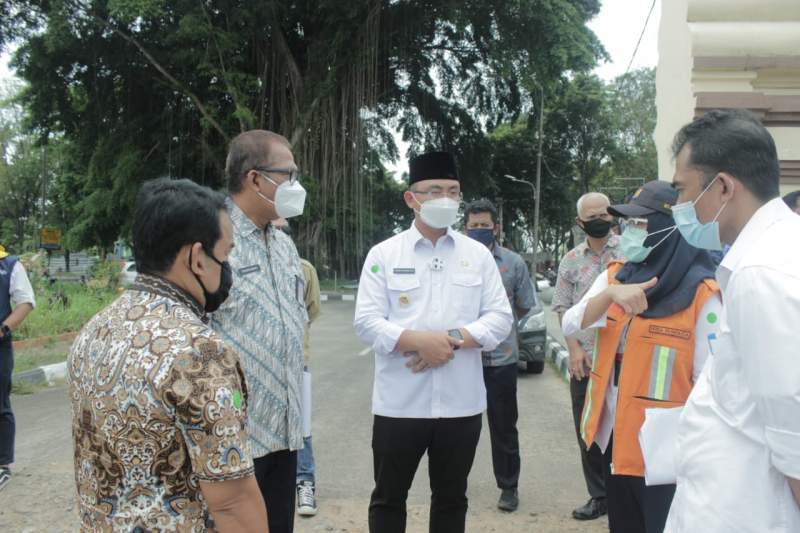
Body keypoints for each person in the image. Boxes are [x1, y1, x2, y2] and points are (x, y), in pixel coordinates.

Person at [67, 178, 267, 531]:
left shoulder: (94, 331)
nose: (227, 267)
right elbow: (233, 501)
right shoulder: (201, 354)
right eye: (225, 254)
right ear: (196, 258)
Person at [354, 151, 513, 533]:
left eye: (453, 191)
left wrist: (449, 340)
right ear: (411, 198)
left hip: (461, 406)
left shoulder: (477, 256)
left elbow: (500, 318)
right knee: (389, 497)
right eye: (435, 190)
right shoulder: (385, 254)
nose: (446, 199)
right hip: (399, 406)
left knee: (452, 498)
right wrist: (417, 341)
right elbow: (367, 322)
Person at [665, 110, 800, 532]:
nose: (678, 207)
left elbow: (794, 433)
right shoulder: (776, 250)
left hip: (746, 513)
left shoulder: (761, 274)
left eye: (682, 190)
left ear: (722, 187)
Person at [562, 180, 722, 533]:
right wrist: (610, 296)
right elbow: (572, 321)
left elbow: (713, 387)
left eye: (639, 223)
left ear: (667, 228)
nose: (627, 232)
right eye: (628, 223)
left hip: (667, 455)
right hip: (614, 439)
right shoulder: (618, 274)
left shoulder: (702, 295)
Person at [211, 130, 309, 533]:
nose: (296, 185)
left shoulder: (284, 244)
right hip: (236, 437)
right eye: (289, 174)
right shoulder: (215, 241)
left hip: (285, 433)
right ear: (255, 179)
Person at [551, 192, 623, 521]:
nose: (599, 220)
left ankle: (626, 491)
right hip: (587, 360)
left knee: (624, 427)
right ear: (580, 223)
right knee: (588, 429)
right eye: (591, 217)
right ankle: (600, 495)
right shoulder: (570, 260)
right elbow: (562, 307)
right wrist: (574, 347)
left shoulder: (630, 251)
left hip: (624, 357)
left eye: (604, 214)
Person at [463, 198, 535, 512]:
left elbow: (523, 305)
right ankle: (453, 486)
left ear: (497, 227)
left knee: (504, 427)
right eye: (473, 226)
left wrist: (499, 329)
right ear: (464, 228)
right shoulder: (455, 260)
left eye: (485, 226)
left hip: (501, 359)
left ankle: (509, 487)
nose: (479, 230)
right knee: (458, 428)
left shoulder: (513, 262)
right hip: (462, 360)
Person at [271, 218, 323, 517]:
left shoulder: (304, 269)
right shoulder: (241, 262)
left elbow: (311, 309)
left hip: (295, 360)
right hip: (252, 363)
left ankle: (305, 482)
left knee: (299, 424)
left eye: (280, 232)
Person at [0, 245, 35, 493]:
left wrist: (2, 329)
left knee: (0, 403)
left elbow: (25, 302)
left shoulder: (9, 265)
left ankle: (2, 464)